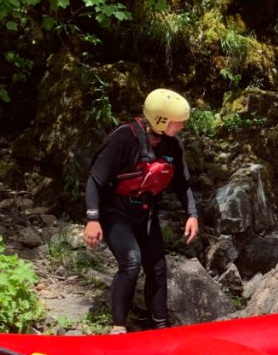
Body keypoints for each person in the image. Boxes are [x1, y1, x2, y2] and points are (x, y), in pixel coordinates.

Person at [83, 88, 199, 332]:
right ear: (160, 119)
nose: (181, 127)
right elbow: (95, 179)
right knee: (132, 261)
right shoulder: (124, 138)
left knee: (157, 265)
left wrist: (192, 214)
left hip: (145, 211)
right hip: (115, 211)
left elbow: (181, 184)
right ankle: (118, 327)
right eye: (177, 123)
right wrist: (92, 218)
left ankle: (159, 326)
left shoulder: (172, 145)